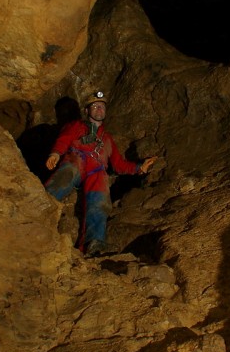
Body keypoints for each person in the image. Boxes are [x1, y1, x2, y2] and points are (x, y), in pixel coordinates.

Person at [44, 91, 157, 257]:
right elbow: (64, 140)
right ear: (87, 110)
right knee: (68, 173)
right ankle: (41, 206)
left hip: (96, 171)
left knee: (100, 198)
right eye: (95, 106)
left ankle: (94, 243)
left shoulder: (107, 139)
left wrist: (140, 168)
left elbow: (119, 165)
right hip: (76, 160)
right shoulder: (75, 126)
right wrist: (55, 154)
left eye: (102, 107)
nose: (99, 109)